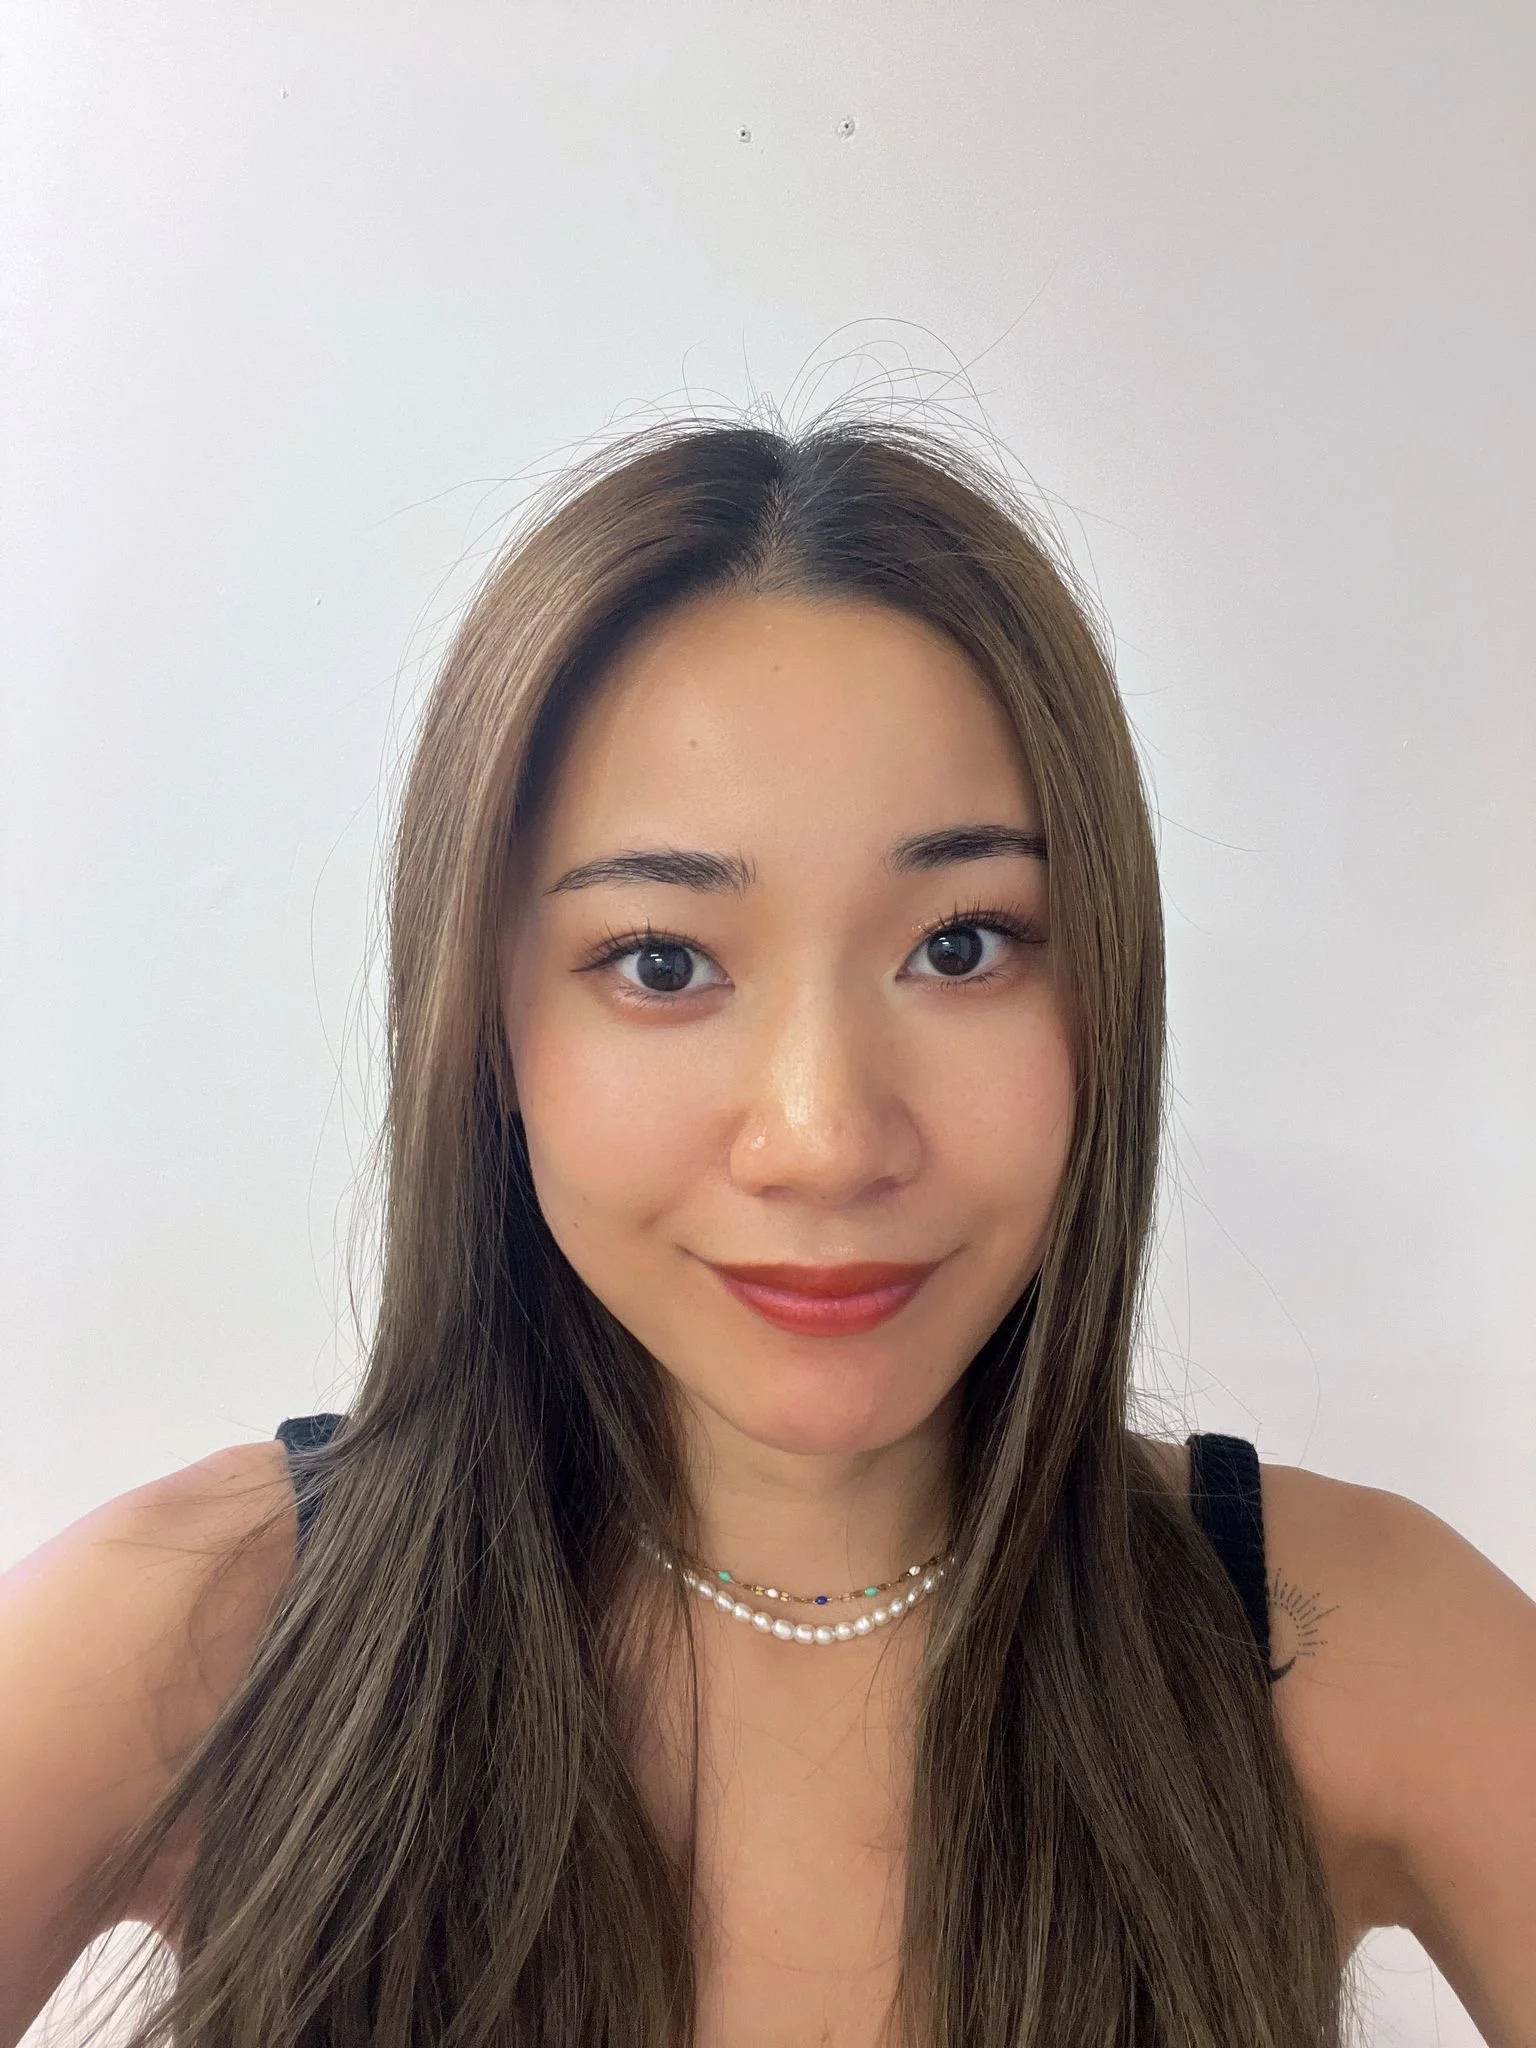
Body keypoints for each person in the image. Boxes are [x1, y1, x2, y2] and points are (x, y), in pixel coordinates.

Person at [1, 418, 1531, 2048]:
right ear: (489, 1029)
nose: (824, 1139)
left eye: (963, 945)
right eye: (662, 962)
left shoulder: (1359, 1647)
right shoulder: (198, 1639)